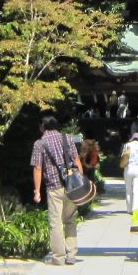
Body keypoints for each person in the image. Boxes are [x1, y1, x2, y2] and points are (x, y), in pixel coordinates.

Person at [30, 113, 81, 265]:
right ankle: (71, 254)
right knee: (70, 220)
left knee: (56, 222)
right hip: (72, 186)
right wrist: (80, 182)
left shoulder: (40, 144)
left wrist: (37, 191)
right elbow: (76, 160)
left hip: (54, 187)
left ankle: (58, 257)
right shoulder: (67, 138)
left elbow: (38, 168)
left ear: (43, 126)